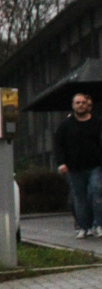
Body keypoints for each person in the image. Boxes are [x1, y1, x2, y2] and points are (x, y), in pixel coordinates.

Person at [53, 92, 102, 238]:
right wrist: (61, 163)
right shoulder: (65, 126)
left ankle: (98, 224)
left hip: (95, 165)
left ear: (88, 105)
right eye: (77, 103)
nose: (81, 105)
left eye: (83, 102)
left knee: (96, 191)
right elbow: (58, 145)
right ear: (73, 105)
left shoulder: (97, 123)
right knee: (79, 198)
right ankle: (83, 226)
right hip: (74, 167)